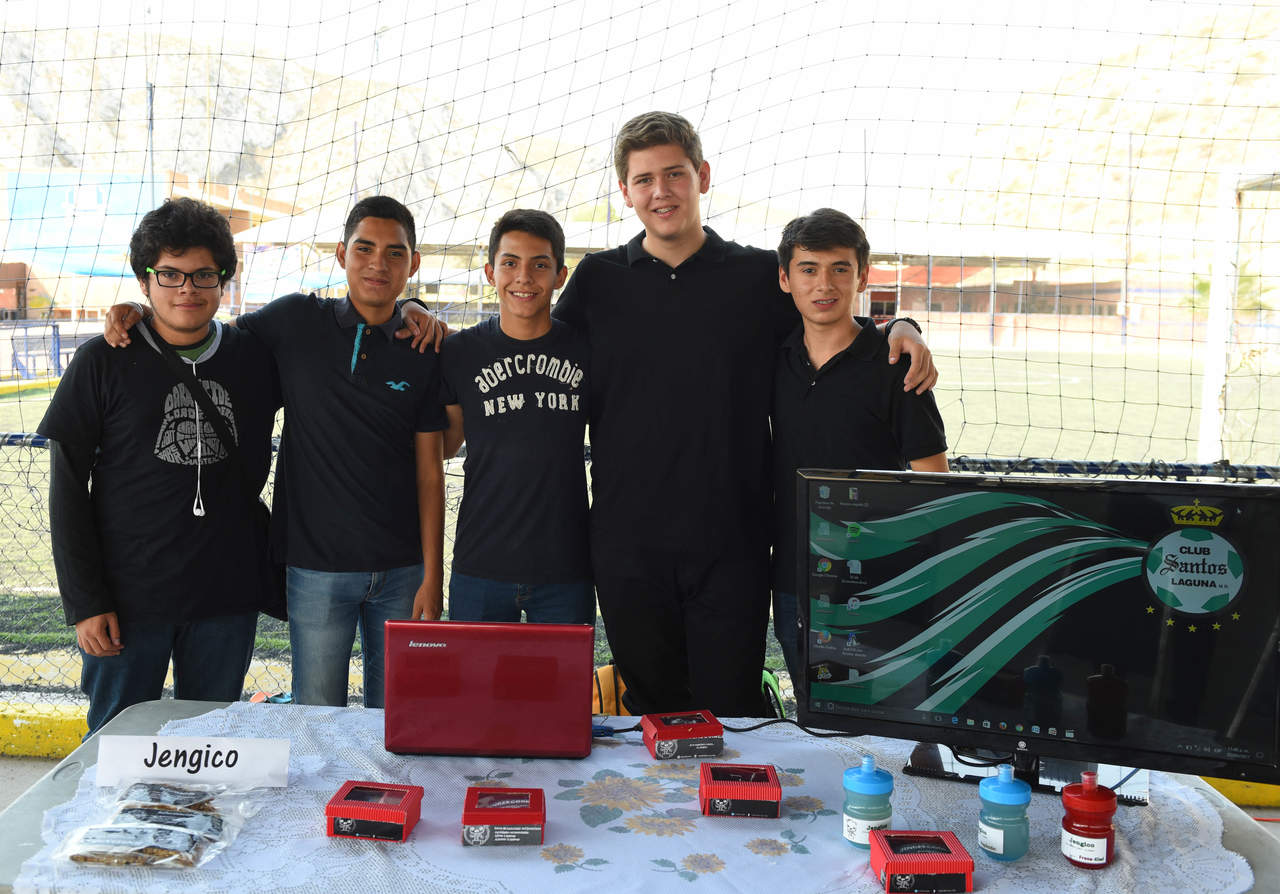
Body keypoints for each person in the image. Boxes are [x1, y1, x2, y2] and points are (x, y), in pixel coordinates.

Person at [548, 111, 939, 717]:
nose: (661, 191)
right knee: (652, 714)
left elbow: (830, 321)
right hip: (628, 543)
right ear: (625, 192)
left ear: (702, 176)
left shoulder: (756, 276)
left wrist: (900, 327)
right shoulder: (598, 281)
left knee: (729, 713)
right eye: (644, 179)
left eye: (674, 174)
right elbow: (531, 341)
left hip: (734, 543)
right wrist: (415, 308)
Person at [105, 196, 447, 709]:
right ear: (341, 254)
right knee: (316, 714)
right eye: (364, 249)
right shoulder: (294, 320)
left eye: (394, 253)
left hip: (402, 572)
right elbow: (203, 333)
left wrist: (431, 574)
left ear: (413, 263)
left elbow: (431, 469)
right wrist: (141, 311)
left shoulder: (422, 346)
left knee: (396, 718)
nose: (378, 263)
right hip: (314, 568)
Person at [40, 197, 280, 735]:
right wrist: (85, 601)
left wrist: (412, 309)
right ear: (144, 281)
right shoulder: (103, 360)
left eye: (203, 275)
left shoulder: (255, 357)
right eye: (169, 274)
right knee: (115, 746)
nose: (186, 289)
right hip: (127, 599)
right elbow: (68, 491)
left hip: (227, 593)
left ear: (224, 281)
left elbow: (338, 336)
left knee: (210, 744)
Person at [769, 208, 948, 687]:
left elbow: (934, 482)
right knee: (814, 708)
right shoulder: (774, 359)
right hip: (795, 578)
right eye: (808, 269)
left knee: (889, 710)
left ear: (863, 277)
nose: (824, 284)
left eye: (840, 269)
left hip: (881, 582)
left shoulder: (896, 367)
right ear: (785, 279)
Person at [438, 209, 594, 624]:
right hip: (481, 564)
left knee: (562, 671)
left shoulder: (587, 351)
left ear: (560, 275)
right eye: (510, 263)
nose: (523, 277)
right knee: (475, 670)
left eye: (539, 265)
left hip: (565, 567)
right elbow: (444, 445)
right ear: (490, 272)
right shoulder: (460, 353)